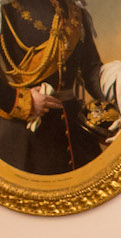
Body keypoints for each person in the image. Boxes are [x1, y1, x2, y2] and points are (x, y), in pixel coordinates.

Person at [0, 0, 113, 173]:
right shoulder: (6, 11)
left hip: (77, 131)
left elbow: (91, 70)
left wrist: (117, 84)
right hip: (27, 135)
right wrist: (24, 101)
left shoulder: (74, 11)